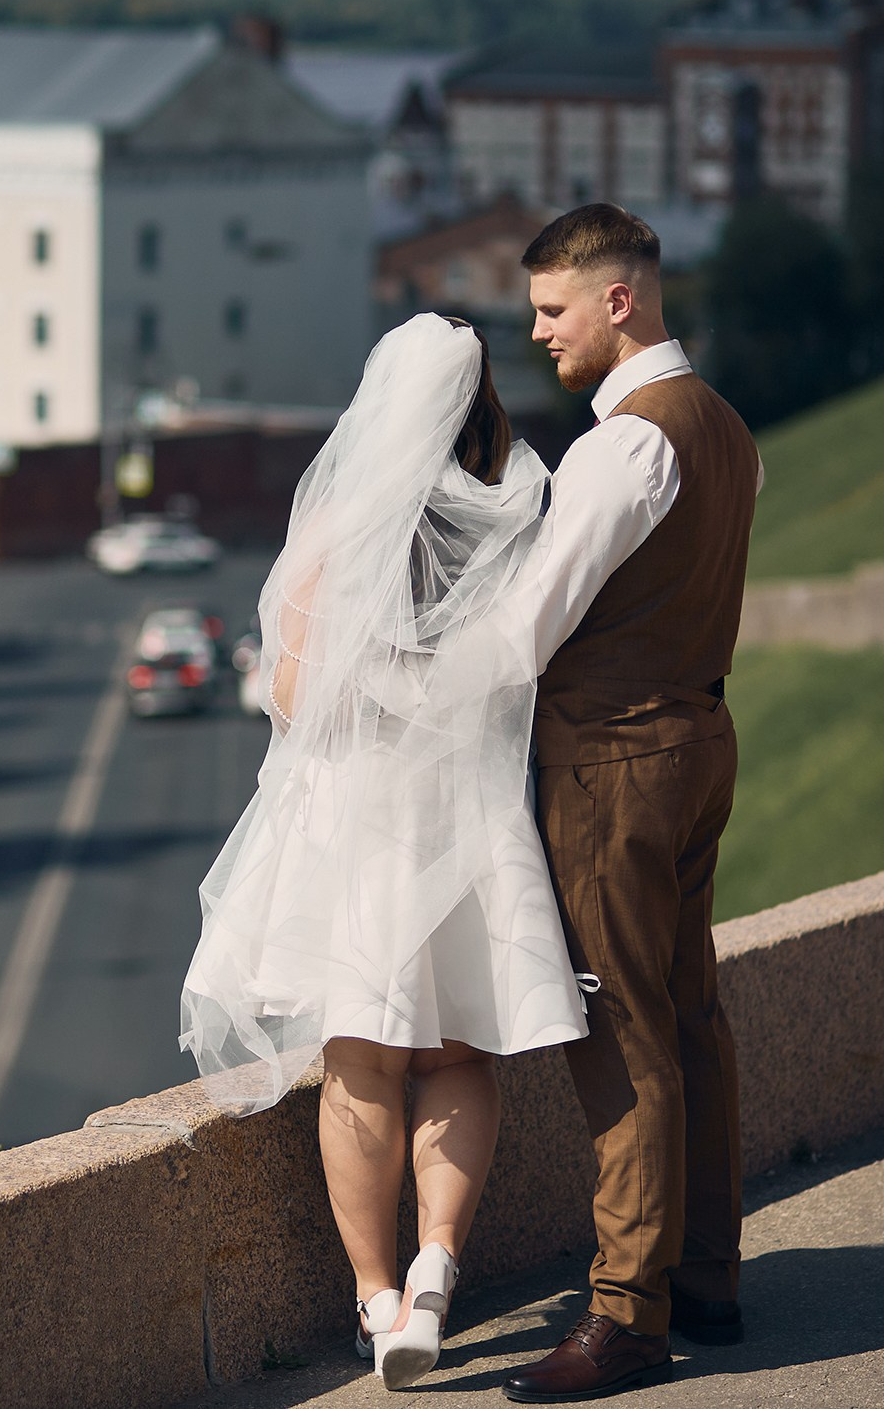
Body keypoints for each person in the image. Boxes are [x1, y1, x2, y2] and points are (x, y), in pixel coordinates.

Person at [181, 312, 590, 1390]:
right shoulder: (517, 507)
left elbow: (291, 690)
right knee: (460, 1052)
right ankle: (439, 1263)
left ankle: (376, 1301)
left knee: (359, 1061)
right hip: (464, 811)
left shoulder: (346, 524)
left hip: (359, 814)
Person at [499, 204, 760, 1403]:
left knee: (625, 1033)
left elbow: (526, 628)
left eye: (553, 309)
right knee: (690, 1013)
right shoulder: (724, 425)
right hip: (698, 735)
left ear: (621, 301)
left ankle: (626, 1318)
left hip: (613, 764)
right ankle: (707, 1280)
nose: (537, 332)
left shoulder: (624, 446)